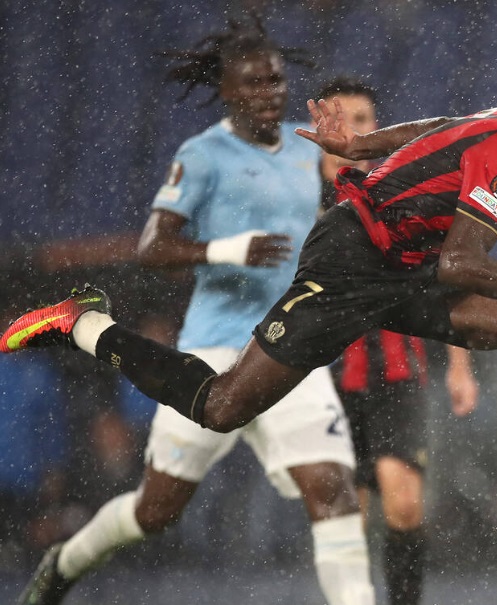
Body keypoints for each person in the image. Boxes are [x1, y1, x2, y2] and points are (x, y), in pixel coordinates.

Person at [2, 74, 497, 526]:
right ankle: (83, 323)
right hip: (351, 261)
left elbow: (440, 131)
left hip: (402, 267)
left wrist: (364, 146)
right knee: (222, 405)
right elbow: (461, 260)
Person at [12, 15, 374, 605]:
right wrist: (227, 250)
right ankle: (66, 561)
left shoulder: (307, 145)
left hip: (290, 345)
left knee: (333, 492)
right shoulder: (203, 155)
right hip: (212, 347)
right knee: (155, 511)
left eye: (276, 80)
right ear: (226, 90)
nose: (269, 92)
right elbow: (152, 249)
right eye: (253, 82)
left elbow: (357, 179)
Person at [315, 75, 479, 605]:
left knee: (403, 503)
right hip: (327, 379)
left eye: (362, 121)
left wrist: (460, 367)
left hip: (397, 373)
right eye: (341, 120)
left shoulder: (405, 195)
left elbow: (447, 282)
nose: (352, 132)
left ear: (377, 130)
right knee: (348, 516)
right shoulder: (295, 204)